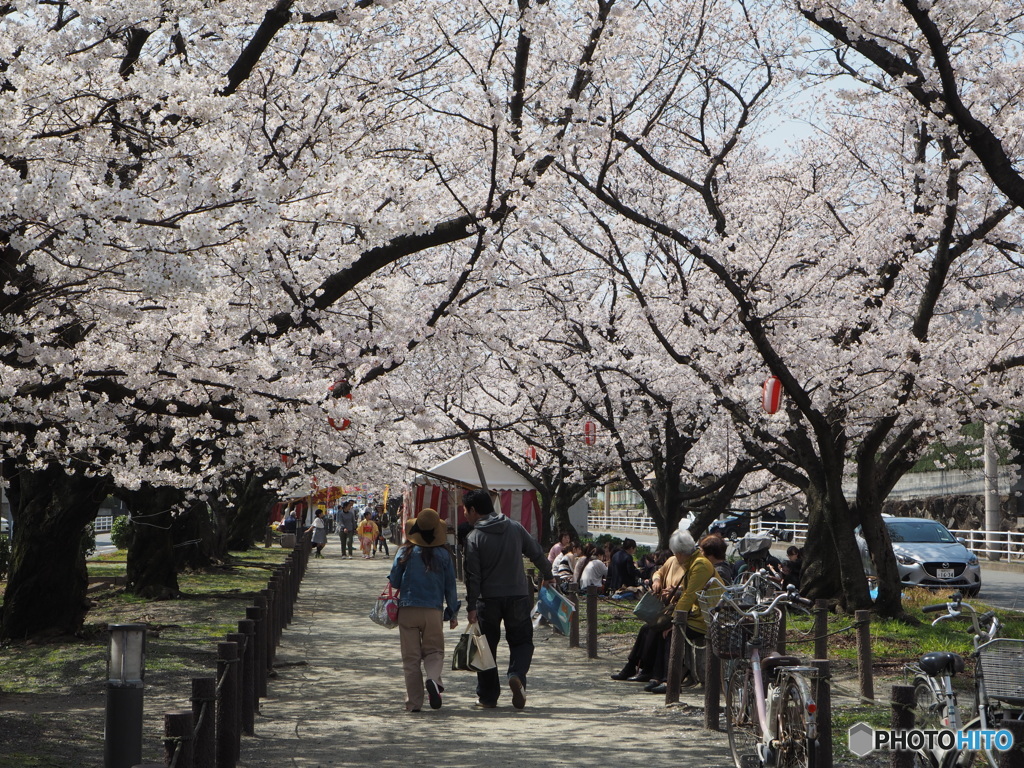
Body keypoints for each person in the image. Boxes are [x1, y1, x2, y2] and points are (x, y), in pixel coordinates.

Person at [463, 489, 553, 710]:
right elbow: (536, 552)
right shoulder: (515, 527)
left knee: (486, 648)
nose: (464, 514)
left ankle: (487, 697)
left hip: (488, 600)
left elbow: (473, 577)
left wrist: (472, 605)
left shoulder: (474, 537)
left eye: (465, 510)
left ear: (474, 510)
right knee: (522, 641)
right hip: (518, 595)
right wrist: (548, 575)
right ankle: (517, 675)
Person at [388, 508, 460, 712]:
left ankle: (414, 703)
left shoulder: (405, 551)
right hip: (433, 611)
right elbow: (450, 587)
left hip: (408, 610)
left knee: (410, 659)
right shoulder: (444, 554)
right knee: (435, 651)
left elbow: (394, 581)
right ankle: (433, 679)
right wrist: (453, 612)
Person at [610, 541, 687, 686]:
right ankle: (633, 665)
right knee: (647, 629)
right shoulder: (671, 561)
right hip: (667, 609)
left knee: (654, 630)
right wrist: (657, 580)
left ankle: (650, 671)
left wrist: (676, 592)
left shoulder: (692, 566)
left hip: (677, 611)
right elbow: (659, 572)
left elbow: (689, 592)